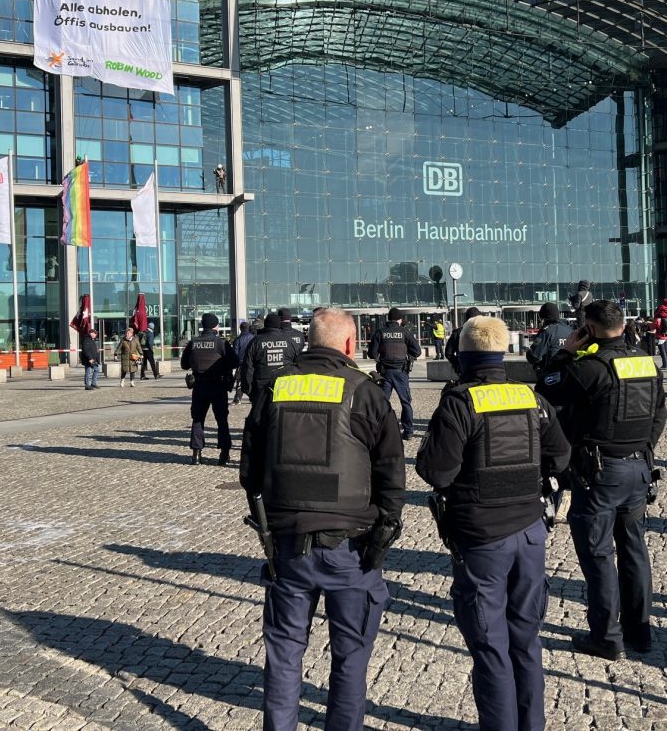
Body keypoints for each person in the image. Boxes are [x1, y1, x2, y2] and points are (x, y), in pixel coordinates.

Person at [240, 307, 405, 730]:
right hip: (351, 547)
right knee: (350, 655)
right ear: (350, 344)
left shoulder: (276, 386)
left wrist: (270, 518)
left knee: (284, 653)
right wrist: (383, 535)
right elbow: (391, 473)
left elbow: (250, 470)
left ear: (310, 341)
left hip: (289, 546)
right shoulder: (366, 391)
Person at [417, 316, 570, 729]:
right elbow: (560, 456)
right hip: (530, 533)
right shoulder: (531, 398)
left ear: (460, 355)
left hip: (482, 538)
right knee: (525, 640)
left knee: (490, 646)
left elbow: (436, 472)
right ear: (503, 351)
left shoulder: (460, 402)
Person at [538, 300, 666, 660]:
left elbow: (544, 396)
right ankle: (640, 632)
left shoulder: (589, 368)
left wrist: (564, 354)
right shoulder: (647, 362)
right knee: (634, 551)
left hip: (599, 472)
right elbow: (660, 415)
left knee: (597, 555)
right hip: (639, 467)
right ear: (623, 326)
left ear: (588, 330)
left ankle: (607, 637)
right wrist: (644, 449)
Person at [180, 313, 238, 465]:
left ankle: (196, 454)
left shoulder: (194, 342)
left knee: (198, 419)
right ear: (215, 326)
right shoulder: (220, 343)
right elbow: (234, 362)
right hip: (218, 386)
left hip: (199, 386)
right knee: (222, 420)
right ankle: (224, 454)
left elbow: (184, 365)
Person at [368, 307, 422, 440]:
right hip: (401, 373)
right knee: (405, 402)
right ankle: (408, 431)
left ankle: (379, 430)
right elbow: (417, 351)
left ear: (388, 319)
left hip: (385, 373)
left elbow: (372, 354)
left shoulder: (380, 332)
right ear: (399, 319)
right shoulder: (405, 333)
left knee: (382, 402)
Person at [241, 313, 303, 402]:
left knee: (260, 415)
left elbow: (247, 367)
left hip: (261, 388)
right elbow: (299, 364)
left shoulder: (256, 341)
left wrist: (248, 389)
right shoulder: (290, 341)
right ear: (279, 325)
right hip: (285, 388)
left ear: (265, 324)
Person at [527, 302, 569, 372]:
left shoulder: (546, 331)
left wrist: (528, 352)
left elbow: (534, 356)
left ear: (544, 319)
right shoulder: (570, 330)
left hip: (552, 374)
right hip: (569, 373)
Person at [446, 306, 482, 373]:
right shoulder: (485, 331)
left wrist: (458, 365)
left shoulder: (457, 332)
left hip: (464, 368)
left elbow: (448, 353)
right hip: (482, 367)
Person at [232, 321, 256, 404]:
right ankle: (254, 398)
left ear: (240, 329)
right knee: (253, 380)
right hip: (253, 363)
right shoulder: (254, 338)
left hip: (242, 363)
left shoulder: (237, 340)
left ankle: (238, 398)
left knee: (240, 381)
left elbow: (235, 354)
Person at [652, 299, 667, 370]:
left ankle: (664, 365)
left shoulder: (658, 319)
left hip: (660, 336)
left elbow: (654, 327)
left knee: (662, 351)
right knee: (665, 350)